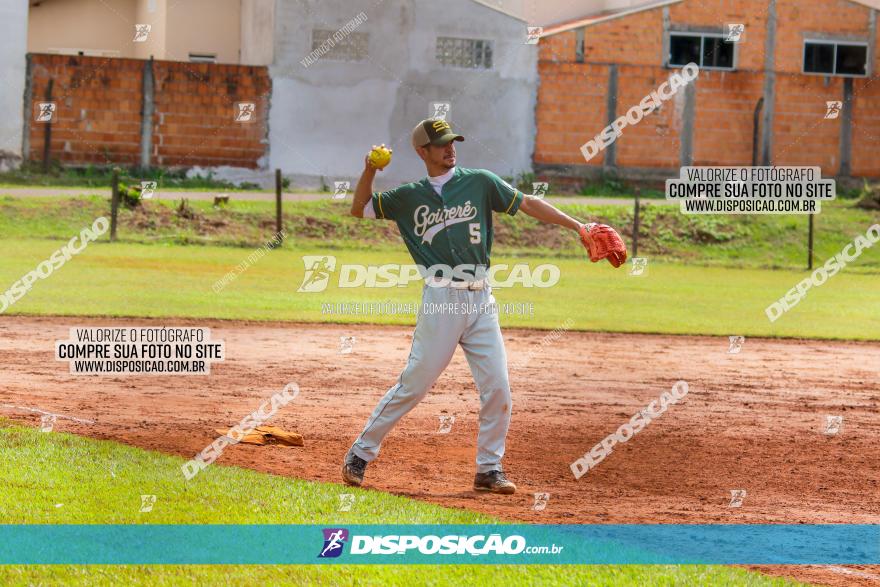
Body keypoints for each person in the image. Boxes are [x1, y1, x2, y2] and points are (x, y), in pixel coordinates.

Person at [343, 118, 590, 494]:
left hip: (482, 299)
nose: (450, 148)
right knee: (415, 385)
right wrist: (368, 171)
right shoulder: (408, 196)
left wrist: (578, 227)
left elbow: (528, 204)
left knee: (499, 388)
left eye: (452, 141)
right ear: (422, 151)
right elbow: (359, 209)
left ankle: (489, 469)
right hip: (441, 299)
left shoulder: (480, 182)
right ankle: (361, 452)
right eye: (440, 143)